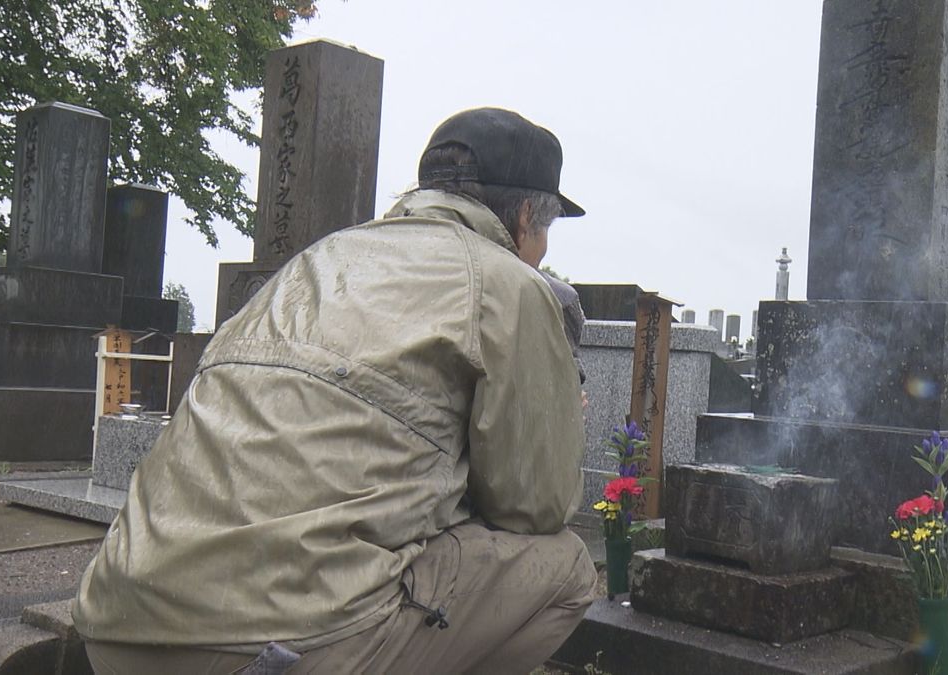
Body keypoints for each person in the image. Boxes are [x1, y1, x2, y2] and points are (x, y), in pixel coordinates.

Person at [73, 107, 597, 674]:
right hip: (278, 651)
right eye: (545, 231)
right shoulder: (510, 283)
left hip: (115, 623)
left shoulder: (319, 260)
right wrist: (557, 417)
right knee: (567, 568)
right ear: (526, 217)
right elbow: (533, 507)